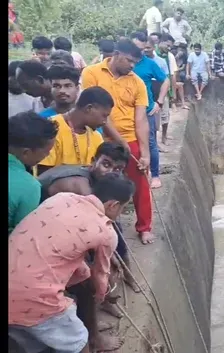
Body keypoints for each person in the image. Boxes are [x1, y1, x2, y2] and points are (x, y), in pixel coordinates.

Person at [8, 174, 134, 353]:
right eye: (123, 207)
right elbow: (100, 277)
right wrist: (103, 294)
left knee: (33, 342)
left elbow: (56, 245)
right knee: (79, 340)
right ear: (113, 205)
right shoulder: (105, 230)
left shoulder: (62, 198)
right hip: (35, 297)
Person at [38, 142, 141, 302]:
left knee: (116, 231)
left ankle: (126, 273)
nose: (110, 172)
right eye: (106, 164)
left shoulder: (100, 182)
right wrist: (108, 255)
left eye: (117, 169)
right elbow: (93, 225)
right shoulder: (81, 185)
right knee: (89, 261)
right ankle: (102, 298)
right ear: (94, 162)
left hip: (69, 217)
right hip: (45, 225)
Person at [81, 39, 156, 245]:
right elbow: (100, 115)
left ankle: (144, 227)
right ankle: (100, 228)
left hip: (130, 138)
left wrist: (145, 152)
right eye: (129, 60)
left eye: (135, 63)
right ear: (115, 54)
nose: (132, 66)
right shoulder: (91, 73)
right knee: (98, 183)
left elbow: (140, 119)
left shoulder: (137, 82)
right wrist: (119, 140)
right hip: (98, 138)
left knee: (140, 183)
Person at [36, 86, 113, 176]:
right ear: (89, 108)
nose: (105, 122)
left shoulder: (96, 136)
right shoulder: (51, 127)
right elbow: (43, 174)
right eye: (104, 115)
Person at [131, 31, 170, 189]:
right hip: (126, 110)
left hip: (146, 110)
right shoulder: (124, 64)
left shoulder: (150, 63)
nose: (138, 52)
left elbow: (165, 80)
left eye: (142, 49)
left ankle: (154, 175)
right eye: (135, 48)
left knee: (150, 142)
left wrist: (159, 102)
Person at [8, 111, 58, 235]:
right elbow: (23, 236)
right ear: (26, 153)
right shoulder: (30, 186)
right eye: (47, 151)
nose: (48, 155)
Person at [154, 33, 178, 146]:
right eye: (167, 46)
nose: (169, 49)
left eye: (170, 47)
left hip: (165, 90)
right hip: (153, 91)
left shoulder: (169, 57)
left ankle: (164, 137)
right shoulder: (152, 56)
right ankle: (155, 141)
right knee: (153, 118)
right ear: (160, 42)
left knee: (165, 115)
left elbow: (172, 75)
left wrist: (173, 92)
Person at [172, 42, 189, 109]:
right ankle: (174, 102)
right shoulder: (172, 55)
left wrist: (178, 70)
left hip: (178, 70)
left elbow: (183, 66)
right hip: (171, 73)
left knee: (181, 78)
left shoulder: (184, 55)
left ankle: (183, 103)